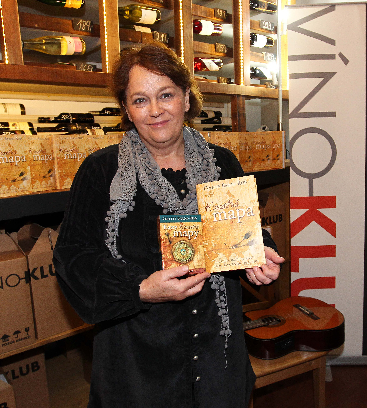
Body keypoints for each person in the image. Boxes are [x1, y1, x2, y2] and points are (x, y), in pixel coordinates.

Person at [53, 42, 284, 408]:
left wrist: (260, 254)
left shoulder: (222, 164)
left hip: (217, 362)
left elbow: (243, 233)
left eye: (166, 95)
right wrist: (140, 289)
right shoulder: (101, 172)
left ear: (186, 98)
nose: (155, 110)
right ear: (126, 109)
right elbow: (73, 259)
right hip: (138, 370)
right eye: (140, 100)